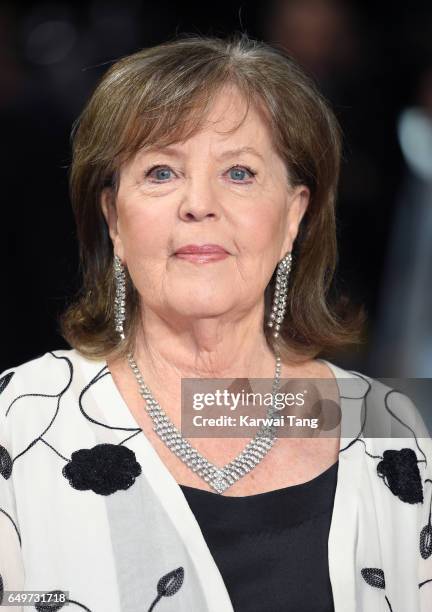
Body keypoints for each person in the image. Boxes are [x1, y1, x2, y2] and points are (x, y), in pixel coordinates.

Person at [0, 33, 431, 612]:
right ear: (114, 220)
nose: (198, 203)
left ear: (293, 216)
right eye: (160, 172)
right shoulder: (19, 423)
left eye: (239, 174)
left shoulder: (395, 428)